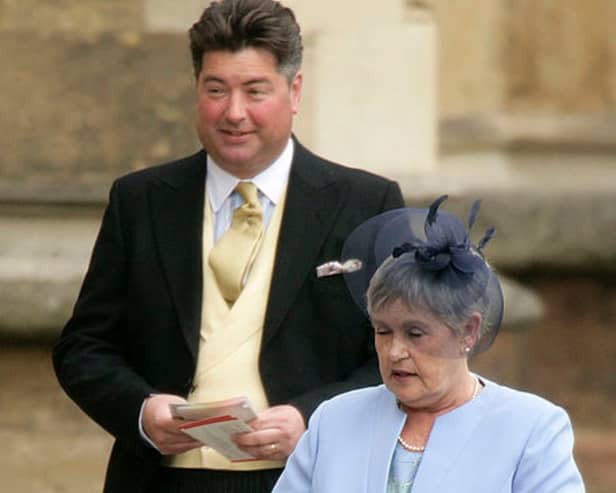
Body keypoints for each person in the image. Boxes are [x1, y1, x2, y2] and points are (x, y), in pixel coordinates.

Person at [52, 1, 404, 492]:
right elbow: (83, 348)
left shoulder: (367, 203)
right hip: (159, 481)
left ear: (294, 90)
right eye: (216, 90)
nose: (233, 112)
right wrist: (141, 410)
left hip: (309, 476)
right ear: (196, 90)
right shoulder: (140, 201)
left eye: (255, 91)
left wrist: (311, 419)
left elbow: (402, 352)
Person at [273, 195, 585, 492]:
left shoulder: (532, 428)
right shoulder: (334, 420)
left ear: (468, 331)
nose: (395, 352)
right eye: (383, 331)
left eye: (415, 333)